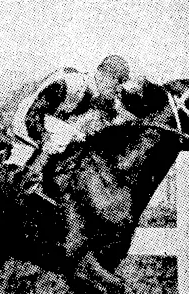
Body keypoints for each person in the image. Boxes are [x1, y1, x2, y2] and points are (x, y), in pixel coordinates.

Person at [13, 55, 131, 193]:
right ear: (103, 75)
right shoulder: (71, 84)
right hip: (28, 120)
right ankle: (28, 178)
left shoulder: (107, 102)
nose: (119, 89)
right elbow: (34, 114)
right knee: (66, 133)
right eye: (118, 81)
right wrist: (44, 138)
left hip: (56, 132)